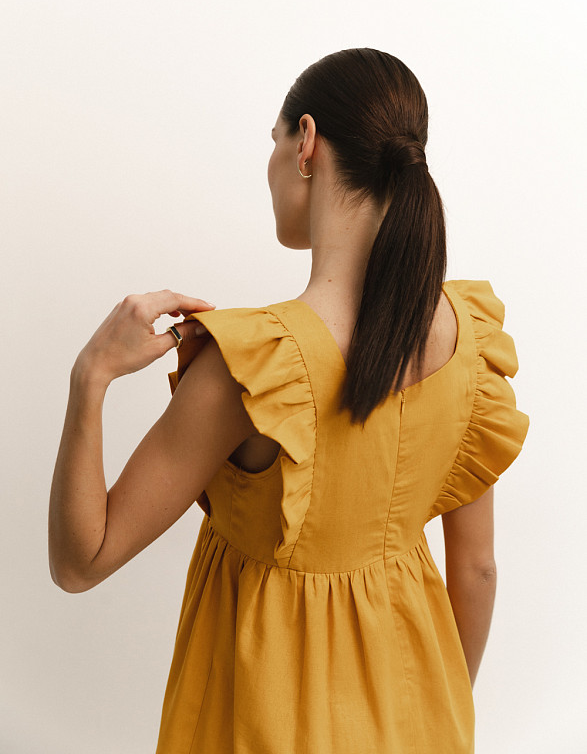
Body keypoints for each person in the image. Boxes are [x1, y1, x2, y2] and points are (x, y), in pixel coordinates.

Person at [49, 47, 529, 753]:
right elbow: (477, 570)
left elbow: (79, 561)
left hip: (264, 722)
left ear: (305, 142)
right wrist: (436, 714)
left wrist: (89, 375)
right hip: (417, 714)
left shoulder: (256, 368)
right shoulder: (471, 339)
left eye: (272, 142)